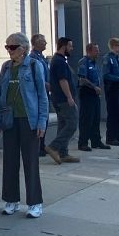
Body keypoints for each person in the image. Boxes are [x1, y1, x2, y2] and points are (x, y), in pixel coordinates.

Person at [0, 32, 48, 218]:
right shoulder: (6, 67)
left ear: (23, 48)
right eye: (7, 47)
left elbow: (42, 95)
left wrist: (42, 122)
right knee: (9, 161)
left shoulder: (34, 65)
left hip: (29, 120)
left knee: (30, 162)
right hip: (10, 120)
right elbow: (0, 94)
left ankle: (35, 203)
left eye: (13, 47)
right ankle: (11, 199)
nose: (9, 50)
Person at [45, 37, 80, 165]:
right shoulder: (59, 61)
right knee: (72, 124)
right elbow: (62, 80)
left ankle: (63, 153)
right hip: (64, 99)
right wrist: (69, 97)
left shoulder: (58, 60)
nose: (72, 48)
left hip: (58, 99)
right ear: (64, 46)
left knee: (63, 124)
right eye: (70, 46)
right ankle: (54, 147)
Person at [77, 43, 110, 152]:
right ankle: (83, 143)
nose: (98, 52)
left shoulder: (95, 63)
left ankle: (96, 141)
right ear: (89, 51)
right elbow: (82, 79)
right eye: (96, 50)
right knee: (87, 119)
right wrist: (94, 87)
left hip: (95, 94)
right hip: (87, 93)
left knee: (96, 118)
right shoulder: (84, 62)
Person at [29, 34, 51, 157]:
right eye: (43, 41)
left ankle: (41, 145)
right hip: (38, 93)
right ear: (36, 42)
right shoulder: (33, 58)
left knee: (45, 120)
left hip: (45, 93)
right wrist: (45, 84)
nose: (46, 43)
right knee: (40, 119)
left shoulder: (42, 58)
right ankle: (37, 146)